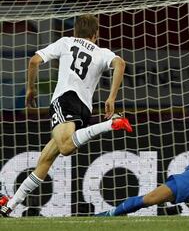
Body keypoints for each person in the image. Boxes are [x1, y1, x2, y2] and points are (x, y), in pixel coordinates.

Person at [0, 14, 133, 217]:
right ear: (96, 34)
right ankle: (9, 207)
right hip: (84, 109)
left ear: (75, 31)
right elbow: (120, 64)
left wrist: (30, 89)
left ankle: (111, 124)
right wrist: (111, 97)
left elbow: (34, 61)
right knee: (45, 160)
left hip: (65, 100)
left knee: (65, 147)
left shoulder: (66, 42)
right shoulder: (101, 52)